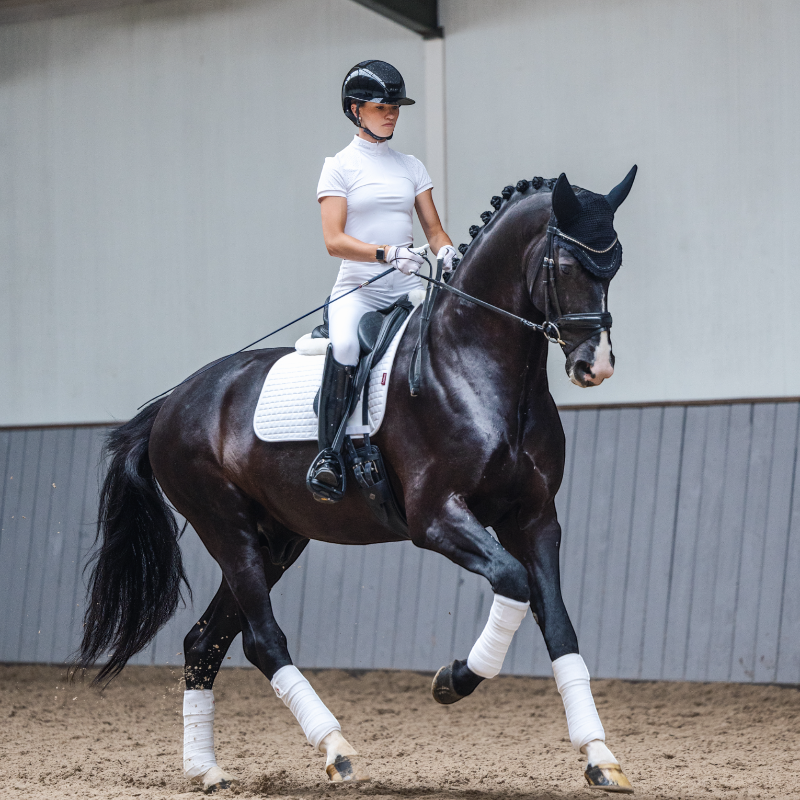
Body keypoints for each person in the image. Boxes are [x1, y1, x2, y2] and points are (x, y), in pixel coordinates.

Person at [307, 59, 456, 501]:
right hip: (360, 290)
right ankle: (329, 456)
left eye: (395, 108)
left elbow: (433, 230)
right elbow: (334, 241)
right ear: (356, 110)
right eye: (381, 107)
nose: (391, 115)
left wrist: (447, 252)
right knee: (345, 346)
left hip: (407, 290)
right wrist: (387, 253)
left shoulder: (411, 166)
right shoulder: (338, 167)